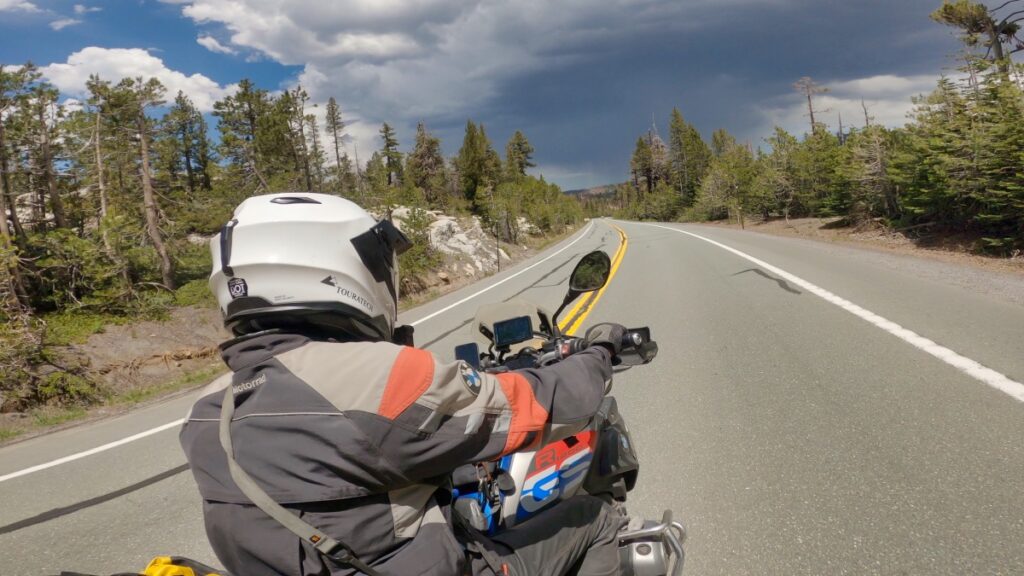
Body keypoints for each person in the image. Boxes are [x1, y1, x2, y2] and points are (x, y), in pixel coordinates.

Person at [180, 192, 628, 576]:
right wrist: (600, 354)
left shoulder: (206, 409)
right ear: (337, 265)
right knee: (595, 519)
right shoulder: (380, 377)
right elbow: (539, 402)